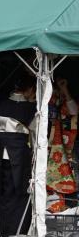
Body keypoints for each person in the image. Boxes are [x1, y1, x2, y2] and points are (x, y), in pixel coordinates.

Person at [0, 76, 37, 237]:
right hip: (19, 152)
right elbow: (36, 132)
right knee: (21, 191)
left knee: (5, 192)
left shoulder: (1, 105)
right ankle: (19, 231)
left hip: (1, 152)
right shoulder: (30, 108)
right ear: (30, 89)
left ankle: (5, 232)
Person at [47, 78, 78, 213]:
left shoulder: (65, 104)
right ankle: (52, 212)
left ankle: (67, 213)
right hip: (47, 151)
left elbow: (74, 112)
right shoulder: (45, 105)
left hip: (66, 150)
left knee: (67, 180)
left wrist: (65, 90)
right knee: (49, 183)